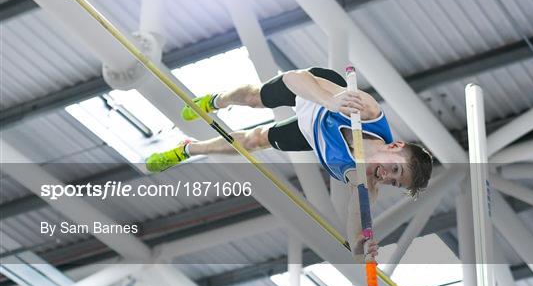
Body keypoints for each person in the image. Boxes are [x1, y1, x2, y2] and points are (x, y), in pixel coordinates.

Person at [146, 67, 433, 201]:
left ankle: (187, 149)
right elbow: (294, 79)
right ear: (395, 145)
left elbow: (358, 223)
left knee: (254, 141)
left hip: (313, 133)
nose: (387, 176)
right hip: (318, 94)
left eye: (394, 182)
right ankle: (216, 100)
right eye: (396, 169)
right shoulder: (366, 112)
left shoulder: (365, 182)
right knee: (254, 98)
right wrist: (329, 101)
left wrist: (361, 245)